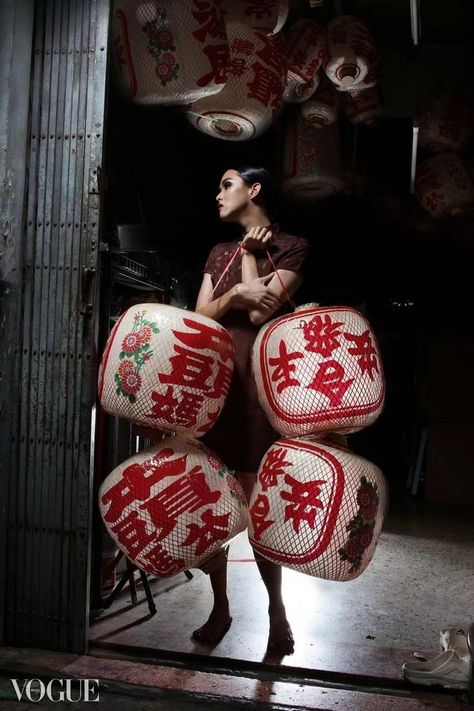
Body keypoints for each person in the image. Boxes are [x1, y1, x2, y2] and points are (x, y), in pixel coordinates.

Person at [194, 166, 310, 655]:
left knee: (259, 504)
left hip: (263, 385)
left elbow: (262, 314)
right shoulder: (217, 250)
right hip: (217, 384)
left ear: (254, 189)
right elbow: (200, 316)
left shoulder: (293, 247)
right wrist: (236, 289)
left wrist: (250, 260)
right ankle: (219, 608)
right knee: (212, 499)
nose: (218, 193)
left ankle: (276, 613)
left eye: (226, 184)